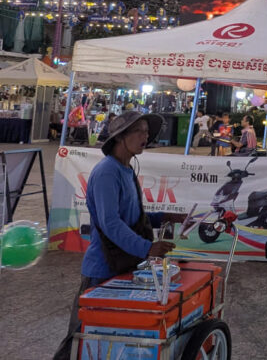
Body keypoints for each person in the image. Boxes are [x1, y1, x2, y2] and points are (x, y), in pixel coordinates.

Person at [54, 111, 176, 360]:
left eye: (147, 131)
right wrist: (146, 247)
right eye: (139, 131)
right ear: (121, 137)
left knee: (109, 338)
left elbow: (131, 215)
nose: (146, 136)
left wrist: (166, 216)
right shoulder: (107, 172)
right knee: (81, 339)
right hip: (101, 269)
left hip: (122, 264)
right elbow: (110, 223)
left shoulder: (126, 170)